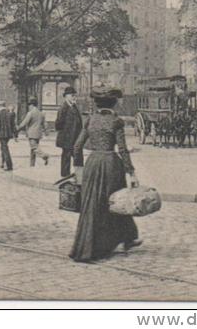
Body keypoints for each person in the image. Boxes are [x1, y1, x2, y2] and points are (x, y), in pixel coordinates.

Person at [69, 86, 141, 262]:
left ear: (97, 103)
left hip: (92, 163)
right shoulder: (116, 121)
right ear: (114, 104)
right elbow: (122, 149)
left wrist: (78, 168)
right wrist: (131, 172)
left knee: (92, 203)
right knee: (114, 201)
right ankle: (119, 239)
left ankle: (89, 245)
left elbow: (77, 146)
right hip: (110, 164)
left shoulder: (90, 120)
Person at [55, 87, 85, 177]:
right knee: (67, 157)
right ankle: (65, 176)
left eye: (75, 95)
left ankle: (79, 175)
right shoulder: (64, 108)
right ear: (66, 96)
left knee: (78, 157)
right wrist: (65, 133)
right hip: (67, 138)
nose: (74, 97)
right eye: (72, 95)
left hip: (75, 137)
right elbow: (58, 124)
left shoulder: (74, 106)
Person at [17, 98, 50, 166]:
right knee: (33, 149)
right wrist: (46, 131)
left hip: (32, 133)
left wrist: (18, 128)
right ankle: (32, 164)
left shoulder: (31, 113)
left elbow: (25, 122)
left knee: (34, 148)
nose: (29, 107)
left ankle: (44, 156)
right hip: (38, 133)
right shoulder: (41, 113)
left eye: (29, 105)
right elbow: (45, 123)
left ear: (31, 105)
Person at [0, 101, 16, 171]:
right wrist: (15, 134)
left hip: (1, 134)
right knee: (3, 147)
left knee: (5, 149)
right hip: (9, 134)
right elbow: (13, 125)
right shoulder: (9, 113)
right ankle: (2, 163)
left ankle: (9, 165)